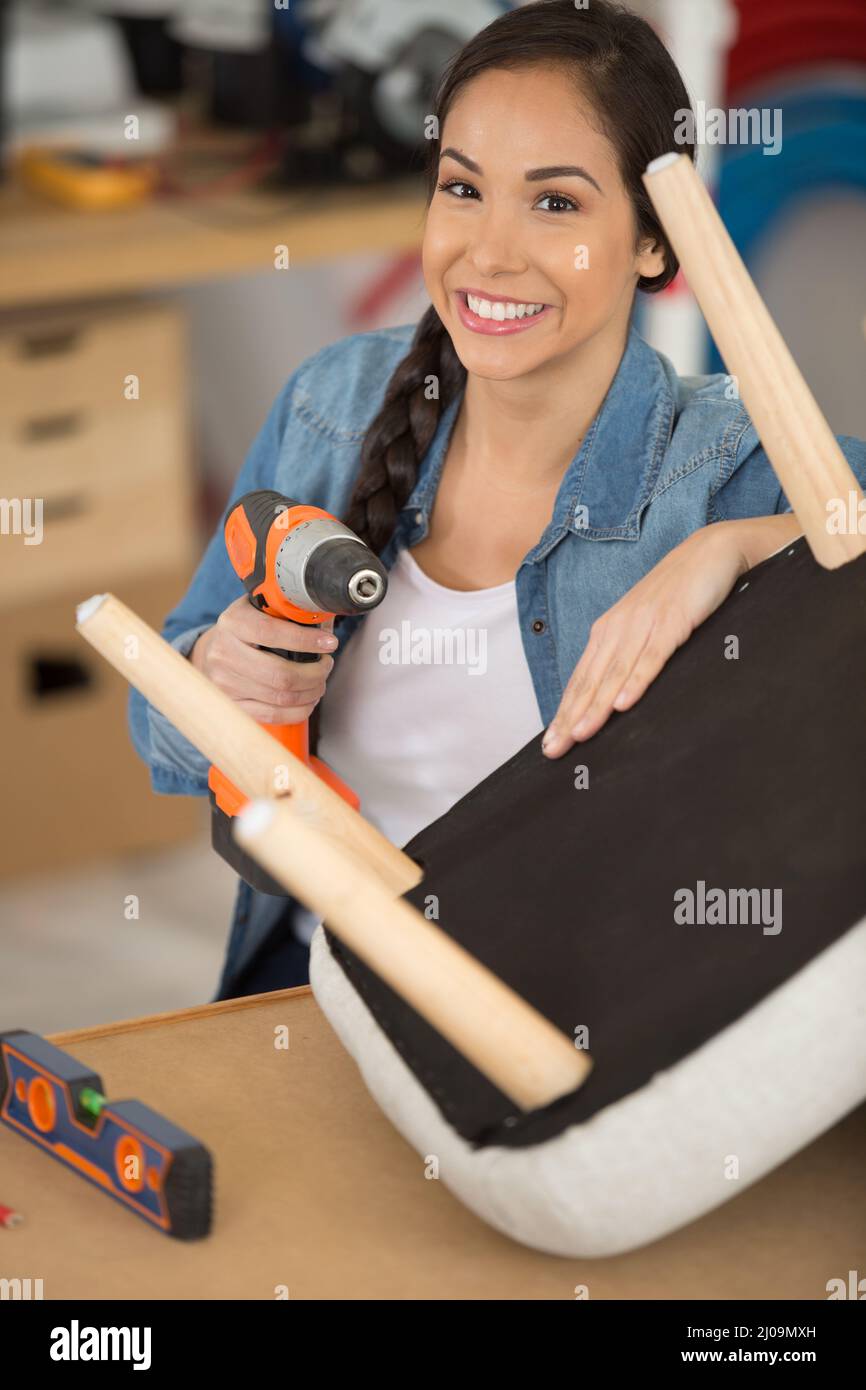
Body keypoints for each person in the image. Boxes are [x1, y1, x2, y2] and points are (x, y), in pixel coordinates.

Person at [129, 0, 866, 999]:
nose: (489, 252)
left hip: (582, 1024)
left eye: (554, 203)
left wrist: (733, 547)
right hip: (313, 991)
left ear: (653, 240)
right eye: (462, 188)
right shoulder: (334, 405)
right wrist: (214, 676)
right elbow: (158, 723)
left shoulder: (729, 460)